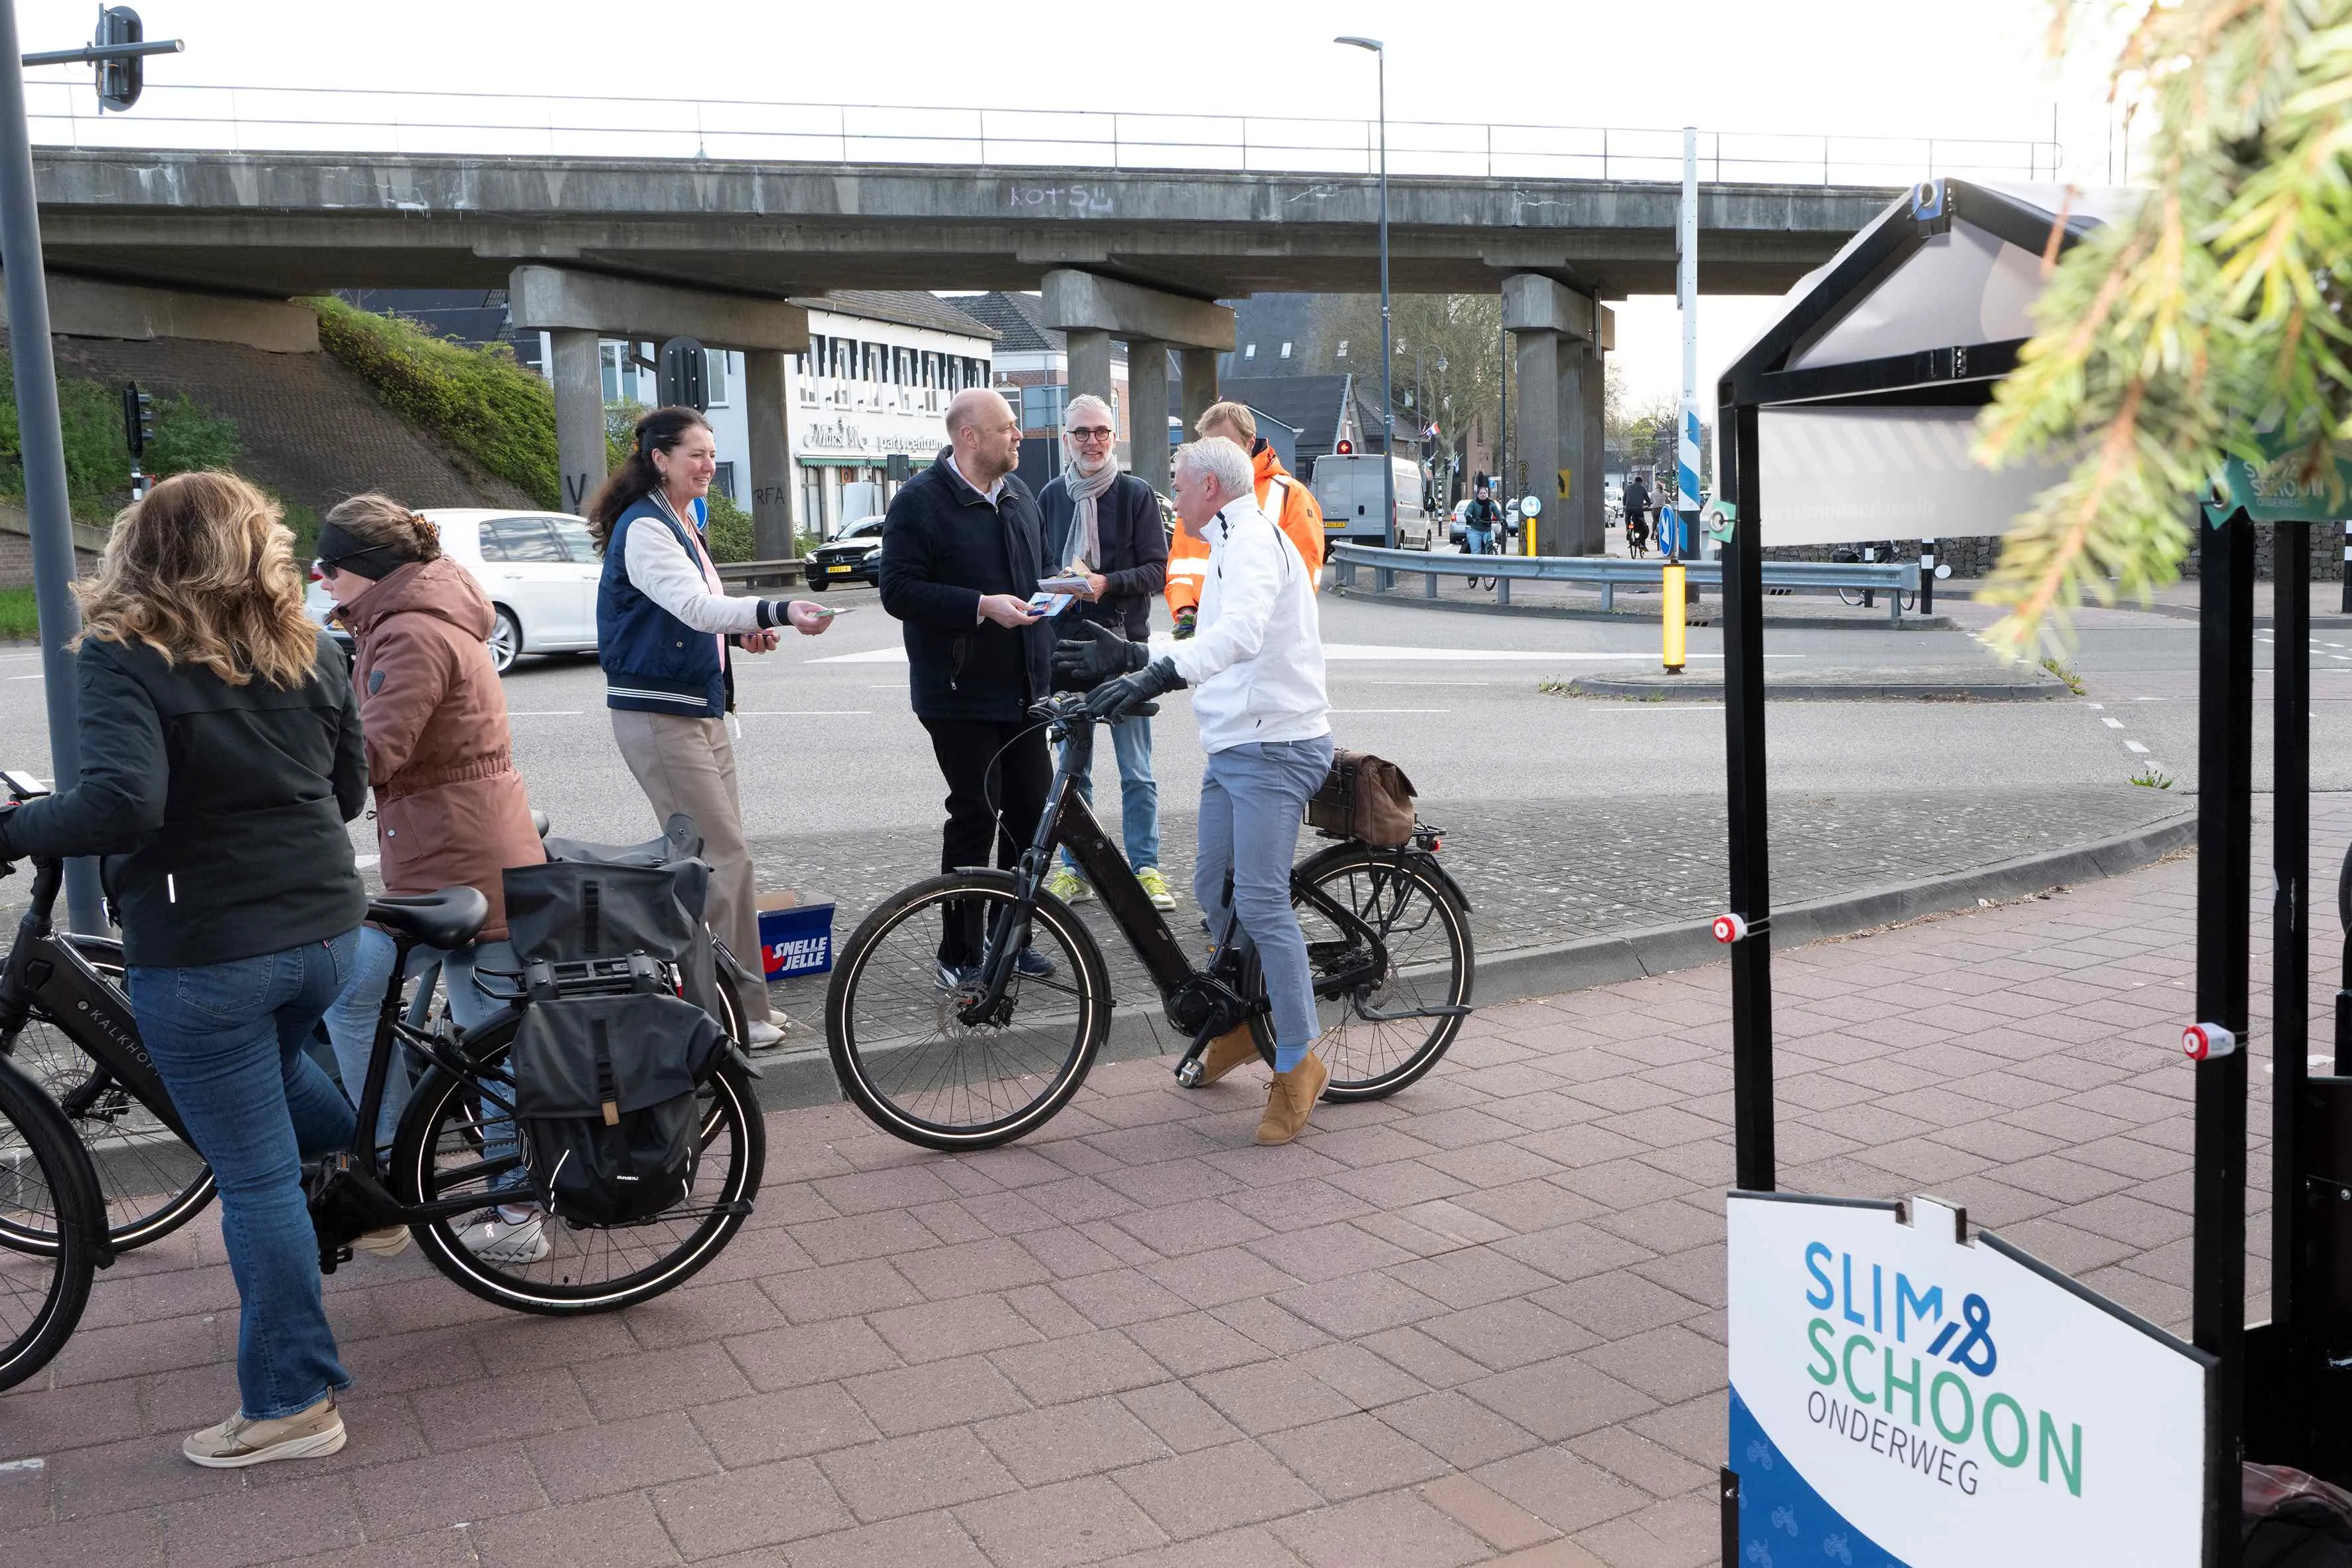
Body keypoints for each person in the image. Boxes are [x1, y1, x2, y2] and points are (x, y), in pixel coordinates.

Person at [0, 472, 375, 1467]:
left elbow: (121, 804)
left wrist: (14, 827)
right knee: (282, 1072)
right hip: (328, 934)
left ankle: (293, 1401)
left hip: (211, 950)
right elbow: (344, 792)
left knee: (256, 1184)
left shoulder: (126, 653)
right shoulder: (314, 646)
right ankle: (369, 1187)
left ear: (141, 549)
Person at [1056, 437, 1334, 1145]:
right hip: (1235, 744)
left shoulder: (1249, 545)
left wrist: (1151, 676)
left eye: (1176, 485)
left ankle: (1300, 1061)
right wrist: (1133, 654)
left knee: (1264, 901)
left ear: (1210, 485)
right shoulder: (1223, 539)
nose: (1168, 498)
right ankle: (1241, 1025)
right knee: (1214, 890)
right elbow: (1206, 639)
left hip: (1275, 744)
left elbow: (1238, 637)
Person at [313, 493, 550, 1263]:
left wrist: (287, 774)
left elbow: (377, 750)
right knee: (399, 1006)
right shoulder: (411, 613)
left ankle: (510, 1207)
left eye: (330, 568)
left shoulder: (410, 631)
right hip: (449, 848)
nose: (321, 581)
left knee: (482, 1038)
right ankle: (395, 1163)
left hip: (462, 857)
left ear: (366, 571)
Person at [591, 405, 832, 1050]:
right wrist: (776, 608)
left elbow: (691, 617)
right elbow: (694, 607)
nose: (708, 464)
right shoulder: (646, 527)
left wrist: (744, 634)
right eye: (695, 453)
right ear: (660, 458)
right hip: (660, 717)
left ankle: (724, 1006)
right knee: (719, 862)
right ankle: (734, 1016)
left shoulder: (679, 521)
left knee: (711, 864)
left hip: (695, 710)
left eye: (711, 451)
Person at [878, 387, 1058, 985]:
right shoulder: (919, 502)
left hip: (1025, 689)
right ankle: (957, 953)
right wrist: (980, 606)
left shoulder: (1020, 495)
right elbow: (897, 592)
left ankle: (1011, 937)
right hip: (958, 693)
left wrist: (1065, 591)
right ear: (969, 437)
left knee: (1030, 816)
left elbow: (1037, 573)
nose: (1019, 436)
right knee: (975, 815)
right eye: (1008, 427)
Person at [1037, 394, 1173, 911]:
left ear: (1113, 437)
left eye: (1100, 432)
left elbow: (1157, 571)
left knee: (1136, 770)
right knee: (1074, 770)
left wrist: (1103, 583)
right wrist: (1052, 586)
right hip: (1067, 649)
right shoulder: (1050, 495)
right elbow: (1037, 563)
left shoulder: (1135, 494)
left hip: (1122, 648)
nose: (1091, 441)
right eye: (1081, 433)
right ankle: (1076, 870)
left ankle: (1146, 868)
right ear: (1065, 438)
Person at [1166, 400, 1324, 640]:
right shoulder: (1195, 494)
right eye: (1210, 445)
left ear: (1250, 442)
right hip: (1206, 631)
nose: (1218, 454)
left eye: (1226, 445)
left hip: (1262, 637)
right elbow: (1180, 565)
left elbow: (1304, 575)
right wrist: (1185, 610)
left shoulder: (1290, 495)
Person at [1462, 483, 1502, 558]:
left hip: (1487, 530)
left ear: (1487, 494)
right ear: (1478, 495)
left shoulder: (1491, 503)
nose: (1483, 495)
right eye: (1481, 493)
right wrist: (1468, 517)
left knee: (1490, 543)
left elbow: (1498, 513)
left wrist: (1503, 520)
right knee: (1476, 551)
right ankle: (1476, 566)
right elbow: (1468, 512)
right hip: (1475, 530)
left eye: (1484, 493)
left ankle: (1490, 554)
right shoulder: (1473, 503)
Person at [1622, 471, 1652, 558]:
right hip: (1638, 510)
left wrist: (1625, 505)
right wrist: (1649, 505)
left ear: (1635, 481)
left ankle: (1628, 530)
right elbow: (1647, 499)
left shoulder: (1628, 488)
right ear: (1641, 482)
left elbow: (1624, 499)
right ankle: (1642, 544)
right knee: (1643, 527)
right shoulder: (1642, 488)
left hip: (1628, 509)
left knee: (1628, 519)